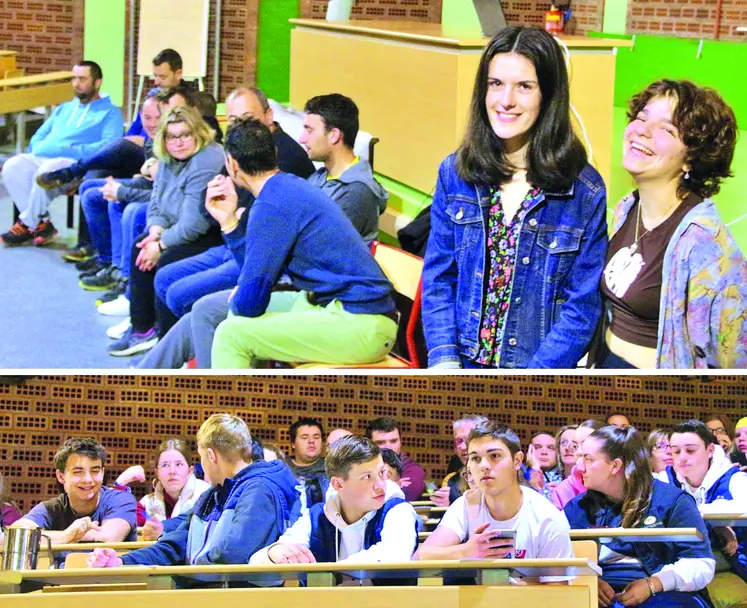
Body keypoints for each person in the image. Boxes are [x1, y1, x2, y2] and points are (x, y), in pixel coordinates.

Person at [422, 25, 607, 370]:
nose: (506, 100)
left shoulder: (584, 189)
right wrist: (445, 360)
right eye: (496, 84)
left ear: (548, 96)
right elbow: (438, 279)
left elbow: (580, 307)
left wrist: (530, 379)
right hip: (459, 362)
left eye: (524, 86)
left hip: (532, 369)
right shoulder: (455, 172)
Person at [205, 118, 397, 368]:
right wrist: (230, 222)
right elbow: (252, 278)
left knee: (230, 335)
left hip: (362, 322)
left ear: (231, 163)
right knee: (234, 317)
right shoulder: (287, 187)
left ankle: (234, 407)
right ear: (274, 153)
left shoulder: (272, 206)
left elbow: (250, 301)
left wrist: (244, 293)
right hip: (342, 308)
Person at [596, 79, 746, 369]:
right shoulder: (629, 207)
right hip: (606, 364)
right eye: (642, 118)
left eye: (666, 129)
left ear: (691, 158)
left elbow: (733, 354)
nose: (642, 130)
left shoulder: (706, 243)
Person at [150, 87, 315, 337]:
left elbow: (255, 226)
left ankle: (185, 353)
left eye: (248, 118)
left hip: (258, 254)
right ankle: (170, 348)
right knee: (163, 277)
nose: (241, 126)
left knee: (179, 292)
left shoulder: (283, 157)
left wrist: (230, 217)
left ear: (269, 116)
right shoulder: (238, 148)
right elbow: (210, 207)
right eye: (235, 121)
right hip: (231, 241)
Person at [86, 414, 300, 570]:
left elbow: (232, 555)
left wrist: (182, 577)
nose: (201, 465)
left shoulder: (259, 489)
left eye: (200, 458)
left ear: (211, 455)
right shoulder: (213, 495)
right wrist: (122, 562)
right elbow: (175, 543)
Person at [107, 105, 225, 357]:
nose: (179, 143)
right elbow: (157, 203)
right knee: (140, 244)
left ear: (198, 133)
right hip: (174, 229)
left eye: (185, 135)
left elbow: (194, 224)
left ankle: (165, 338)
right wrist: (155, 232)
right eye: (171, 136)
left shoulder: (207, 160)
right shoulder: (168, 159)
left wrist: (160, 246)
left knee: (165, 261)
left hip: (209, 235)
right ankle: (142, 328)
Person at [565, 426, 715, 608]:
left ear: (615, 466)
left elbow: (701, 564)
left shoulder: (673, 501)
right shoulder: (577, 507)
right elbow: (557, 559)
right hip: (602, 593)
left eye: (588, 459)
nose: (579, 466)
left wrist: (653, 584)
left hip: (666, 592)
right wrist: (587, 580)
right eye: (579, 457)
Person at [414, 422, 573, 584]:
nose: (484, 465)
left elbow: (558, 593)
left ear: (517, 461)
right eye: (475, 458)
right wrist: (466, 551)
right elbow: (420, 558)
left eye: (494, 456)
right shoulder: (465, 505)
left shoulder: (548, 517)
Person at [1, 61, 124, 246]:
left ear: (97, 83)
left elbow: (109, 147)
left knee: (47, 170)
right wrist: (37, 148)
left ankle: (27, 223)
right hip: (45, 157)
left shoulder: (111, 113)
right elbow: (40, 135)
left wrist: (70, 150)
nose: (76, 84)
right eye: (74, 78)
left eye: (82, 79)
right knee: (12, 166)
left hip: (75, 165)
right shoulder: (65, 108)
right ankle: (41, 223)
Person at [250, 435, 418, 568]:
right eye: (367, 477)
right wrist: (274, 552)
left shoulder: (397, 510)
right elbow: (258, 563)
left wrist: (330, 573)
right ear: (338, 484)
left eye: (382, 473)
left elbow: (394, 556)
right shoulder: (317, 516)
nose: (381, 485)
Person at [76, 95, 163, 292]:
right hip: (147, 186)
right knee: (90, 189)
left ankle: (123, 274)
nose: (152, 124)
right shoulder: (151, 140)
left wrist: (123, 190)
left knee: (122, 204)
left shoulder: (171, 142)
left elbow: (165, 191)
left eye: (158, 118)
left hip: (157, 198)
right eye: (147, 118)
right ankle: (107, 260)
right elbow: (149, 178)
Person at [656, 420, 747, 584]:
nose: (682, 458)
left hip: (731, 566)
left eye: (690, 450)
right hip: (678, 564)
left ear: (710, 450)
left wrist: (713, 519)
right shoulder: (664, 479)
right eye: (676, 451)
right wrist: (713, 524)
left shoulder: (733, 477)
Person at [300, 94, 389, 245]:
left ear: (334, 135)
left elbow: (317, 247)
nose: (302, 139)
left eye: (310, 131)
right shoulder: (320, 177)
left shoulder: (357, 193)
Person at [15, 438, 137, 543]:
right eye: (78, 472)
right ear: (61, 476)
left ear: (102, 473)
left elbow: (108, 537)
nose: (88, 480)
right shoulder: (51, 509)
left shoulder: (121, 500)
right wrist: (65, 536)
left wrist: (63, 537)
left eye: (95, 471)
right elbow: (12, 537)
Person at [112, 438, 210, 540]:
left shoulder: (206, 494)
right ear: (157, 472)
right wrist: (120, 484)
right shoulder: (147, 504)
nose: (172, 471)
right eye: (165, 465)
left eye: (179, 464)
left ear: (190, 471)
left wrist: (163, 529)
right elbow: (120, 523)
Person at [549, 419, 607, 509]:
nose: (578, 452)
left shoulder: (619, 483)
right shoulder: (562, 490)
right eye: (575, 446)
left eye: (585, 445)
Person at [365, 417, 426, 501]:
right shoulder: (360, 467)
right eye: (380, 442)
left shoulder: (412, 469)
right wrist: (395, 486)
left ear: (401, 442)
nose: (388, 447)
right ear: (369, 444)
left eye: (393, 441)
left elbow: (407, 496)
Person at [434, 414, 489, 506]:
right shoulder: (453, 481)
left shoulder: (505, 472)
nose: (463, 447)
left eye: (468, 440)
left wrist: (455, 501)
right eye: (459, 441)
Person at [286, 418, 329, 510]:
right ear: (293, 443)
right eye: (305, 437)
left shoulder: (331, 469)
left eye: (316, 437)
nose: (311, 441)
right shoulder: (282, 469)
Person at [525, 431, 563, 499]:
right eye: (537, 447)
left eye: (551, 448)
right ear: (529, 451)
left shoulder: (567, 478)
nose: (544, 452)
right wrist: (535, 469)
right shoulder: (518, 476)